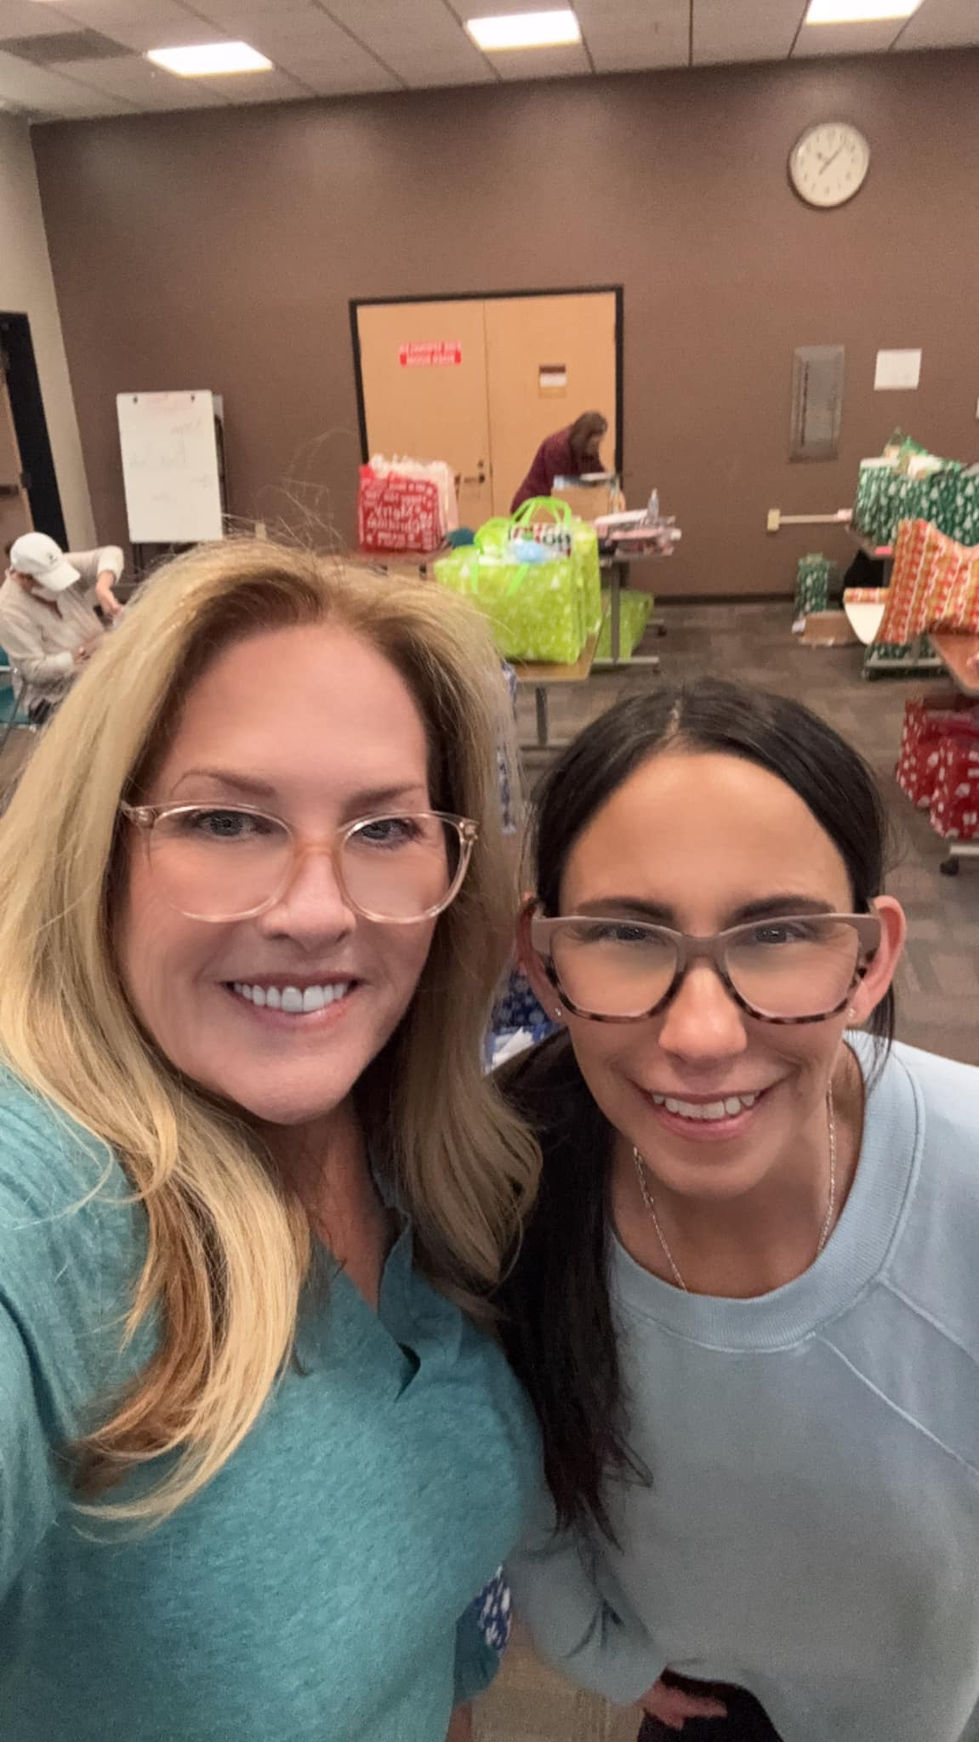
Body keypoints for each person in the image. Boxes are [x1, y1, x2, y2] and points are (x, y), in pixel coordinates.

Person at [0, 536, 541, 1740]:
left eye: (386, 828)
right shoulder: (49, 1204)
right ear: (103, 850)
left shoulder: (429, 1152)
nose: (314, 909)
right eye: (227, 819)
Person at [497, 677, 979, 1742]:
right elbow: (517, 1480)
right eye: (625, 935)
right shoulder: (510, 1192)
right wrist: (600, 1650)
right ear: (545, 958)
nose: (703, 1034)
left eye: (776, 935)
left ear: (869, 960)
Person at [0, 531, 124, 720]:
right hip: (51, 698)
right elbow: (35, 671)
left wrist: (103, 586)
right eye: (48, 582)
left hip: (96, 673)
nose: (58, 588)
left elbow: (111, 553)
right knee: (118, 712)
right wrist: (82, 653)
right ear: (23, 577)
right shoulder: (9, 611)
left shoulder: (55, 565)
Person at [510, 411, 609, 512]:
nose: (596, 448)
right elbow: (561, 490)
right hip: (533, 506)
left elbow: (597, 474)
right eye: (594, 444)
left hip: (551, 507)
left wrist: (613, 490)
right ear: (584, 438)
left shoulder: (586, 448)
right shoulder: (557, 447)